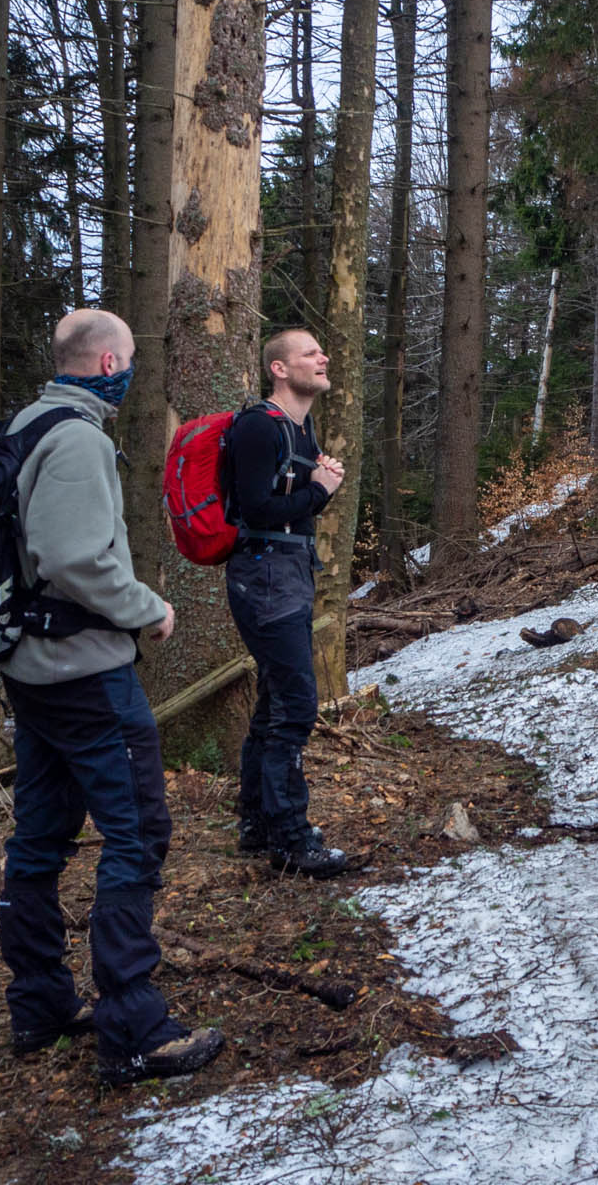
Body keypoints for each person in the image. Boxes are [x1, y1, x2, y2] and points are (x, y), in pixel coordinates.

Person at [0, 309, 225, 1085]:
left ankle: (40, 1005)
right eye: (125, 362)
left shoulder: (24, 427)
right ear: (105, 365)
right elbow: (71, 558)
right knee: (137, 832)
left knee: (41, 836)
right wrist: (147, 608)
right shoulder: (78, 439)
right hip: (85, 672)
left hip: (34, 671)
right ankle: (132, 1025)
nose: (128, 376)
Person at [223, 328, 348, 879]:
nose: (323, 359)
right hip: (265, 576)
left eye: (321, 352)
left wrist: (317, 486)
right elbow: (253, 507)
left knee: (275, 703)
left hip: (288, 572)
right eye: (309, 354)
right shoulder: (257, 426)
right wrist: (319, 490)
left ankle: (258, 823)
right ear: (279, 369)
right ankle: (291, 839)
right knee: (296, 707)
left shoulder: (303, 427)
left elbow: (288, 504)